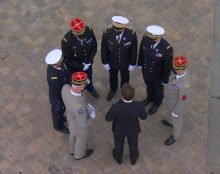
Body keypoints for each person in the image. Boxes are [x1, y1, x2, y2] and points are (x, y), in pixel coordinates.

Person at [105, 83, 147, 165]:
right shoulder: (139, 106)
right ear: (133, 94)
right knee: (134, 144)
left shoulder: (116, 107)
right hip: (133, 129)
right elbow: (144, 117)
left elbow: (108, 118)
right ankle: (133, 159)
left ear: (122, 95)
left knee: (118, 144)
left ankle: (119, 159)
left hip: (119, 129)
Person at [137, 25, 173, 115]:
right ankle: (149, 98)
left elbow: (167, 66)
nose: (149, 42)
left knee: (158, 91)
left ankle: (157, 104)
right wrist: (140, 63)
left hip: (158, 75)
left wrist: (165, 79)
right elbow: (141, 51)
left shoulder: (166, 48)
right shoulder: (146, 38)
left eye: (152, 40)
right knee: (149, 86)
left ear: (158, 37)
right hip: (146, 71)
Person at [61, 17, 99, 98]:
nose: (82, 33)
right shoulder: (66, 41)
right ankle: (78, 94)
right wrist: (81, 66)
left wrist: (89, 61)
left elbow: (94, 47)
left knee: (89, 77)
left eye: (83, 30)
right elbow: (68, 58)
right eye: (79, 32)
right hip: (74, 67)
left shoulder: (89, 31)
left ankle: (90, 88)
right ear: (74, 31)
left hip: (87, 62)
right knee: (76, 83)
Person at [101, 16, 138, 101]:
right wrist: (104, 62)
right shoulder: (107, 33)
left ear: (124, 27)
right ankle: (113, 89)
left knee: (125, 78)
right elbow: (104, 48)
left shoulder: (131, 34)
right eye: (115, 29)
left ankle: (124, 91)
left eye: (119, 30)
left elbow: (134, 50)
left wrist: (132, 63)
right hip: (112, 62)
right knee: (112, 77)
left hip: (125, 63)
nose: (117, 31)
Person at [61, 71, 95, 160]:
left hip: (71, 118)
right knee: (81, 140)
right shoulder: (79, 107)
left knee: (72, 135)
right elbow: (83, 124)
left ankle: (72, 151)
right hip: (79, 124)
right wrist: (91, 116)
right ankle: (79, 155)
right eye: (84, 85)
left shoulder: (65, 88)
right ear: (81, 87)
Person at [161, 55, 191, 145]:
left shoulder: (185, 85)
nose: (175, 71)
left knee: (177, 121)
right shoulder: (177, 73)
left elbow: (183, 102)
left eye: (177, 69)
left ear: (183, 69)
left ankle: (175, 136)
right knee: (171, 116)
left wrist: (176, 112)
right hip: (171, 101)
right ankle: (170, 122)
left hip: (176, 106)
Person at [45, 49, 69, 133]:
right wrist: (59, 102)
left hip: (63, 92)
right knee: (57, 112)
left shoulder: (57, 66)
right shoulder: (53, 79)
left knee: (61, 111)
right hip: (58, 97)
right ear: (56, 63)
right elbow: (56, 92)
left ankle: (61, 117)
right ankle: (58, 126)